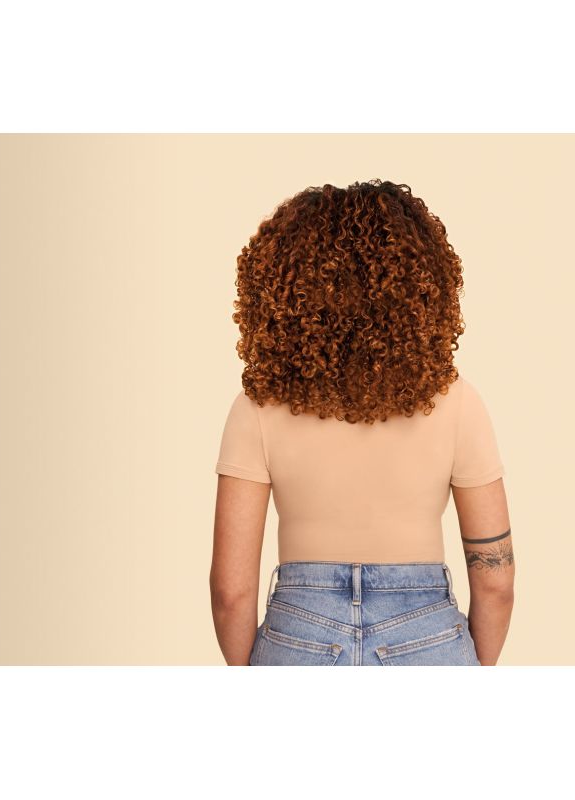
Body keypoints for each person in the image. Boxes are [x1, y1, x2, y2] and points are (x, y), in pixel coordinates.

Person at [209, 179, 514, 666]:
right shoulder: (457, 402)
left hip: (299, 638)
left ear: (285, 288)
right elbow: (496, 582)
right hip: (429, 640)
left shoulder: (257, 407)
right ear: (420, 284)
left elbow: (231, 592)